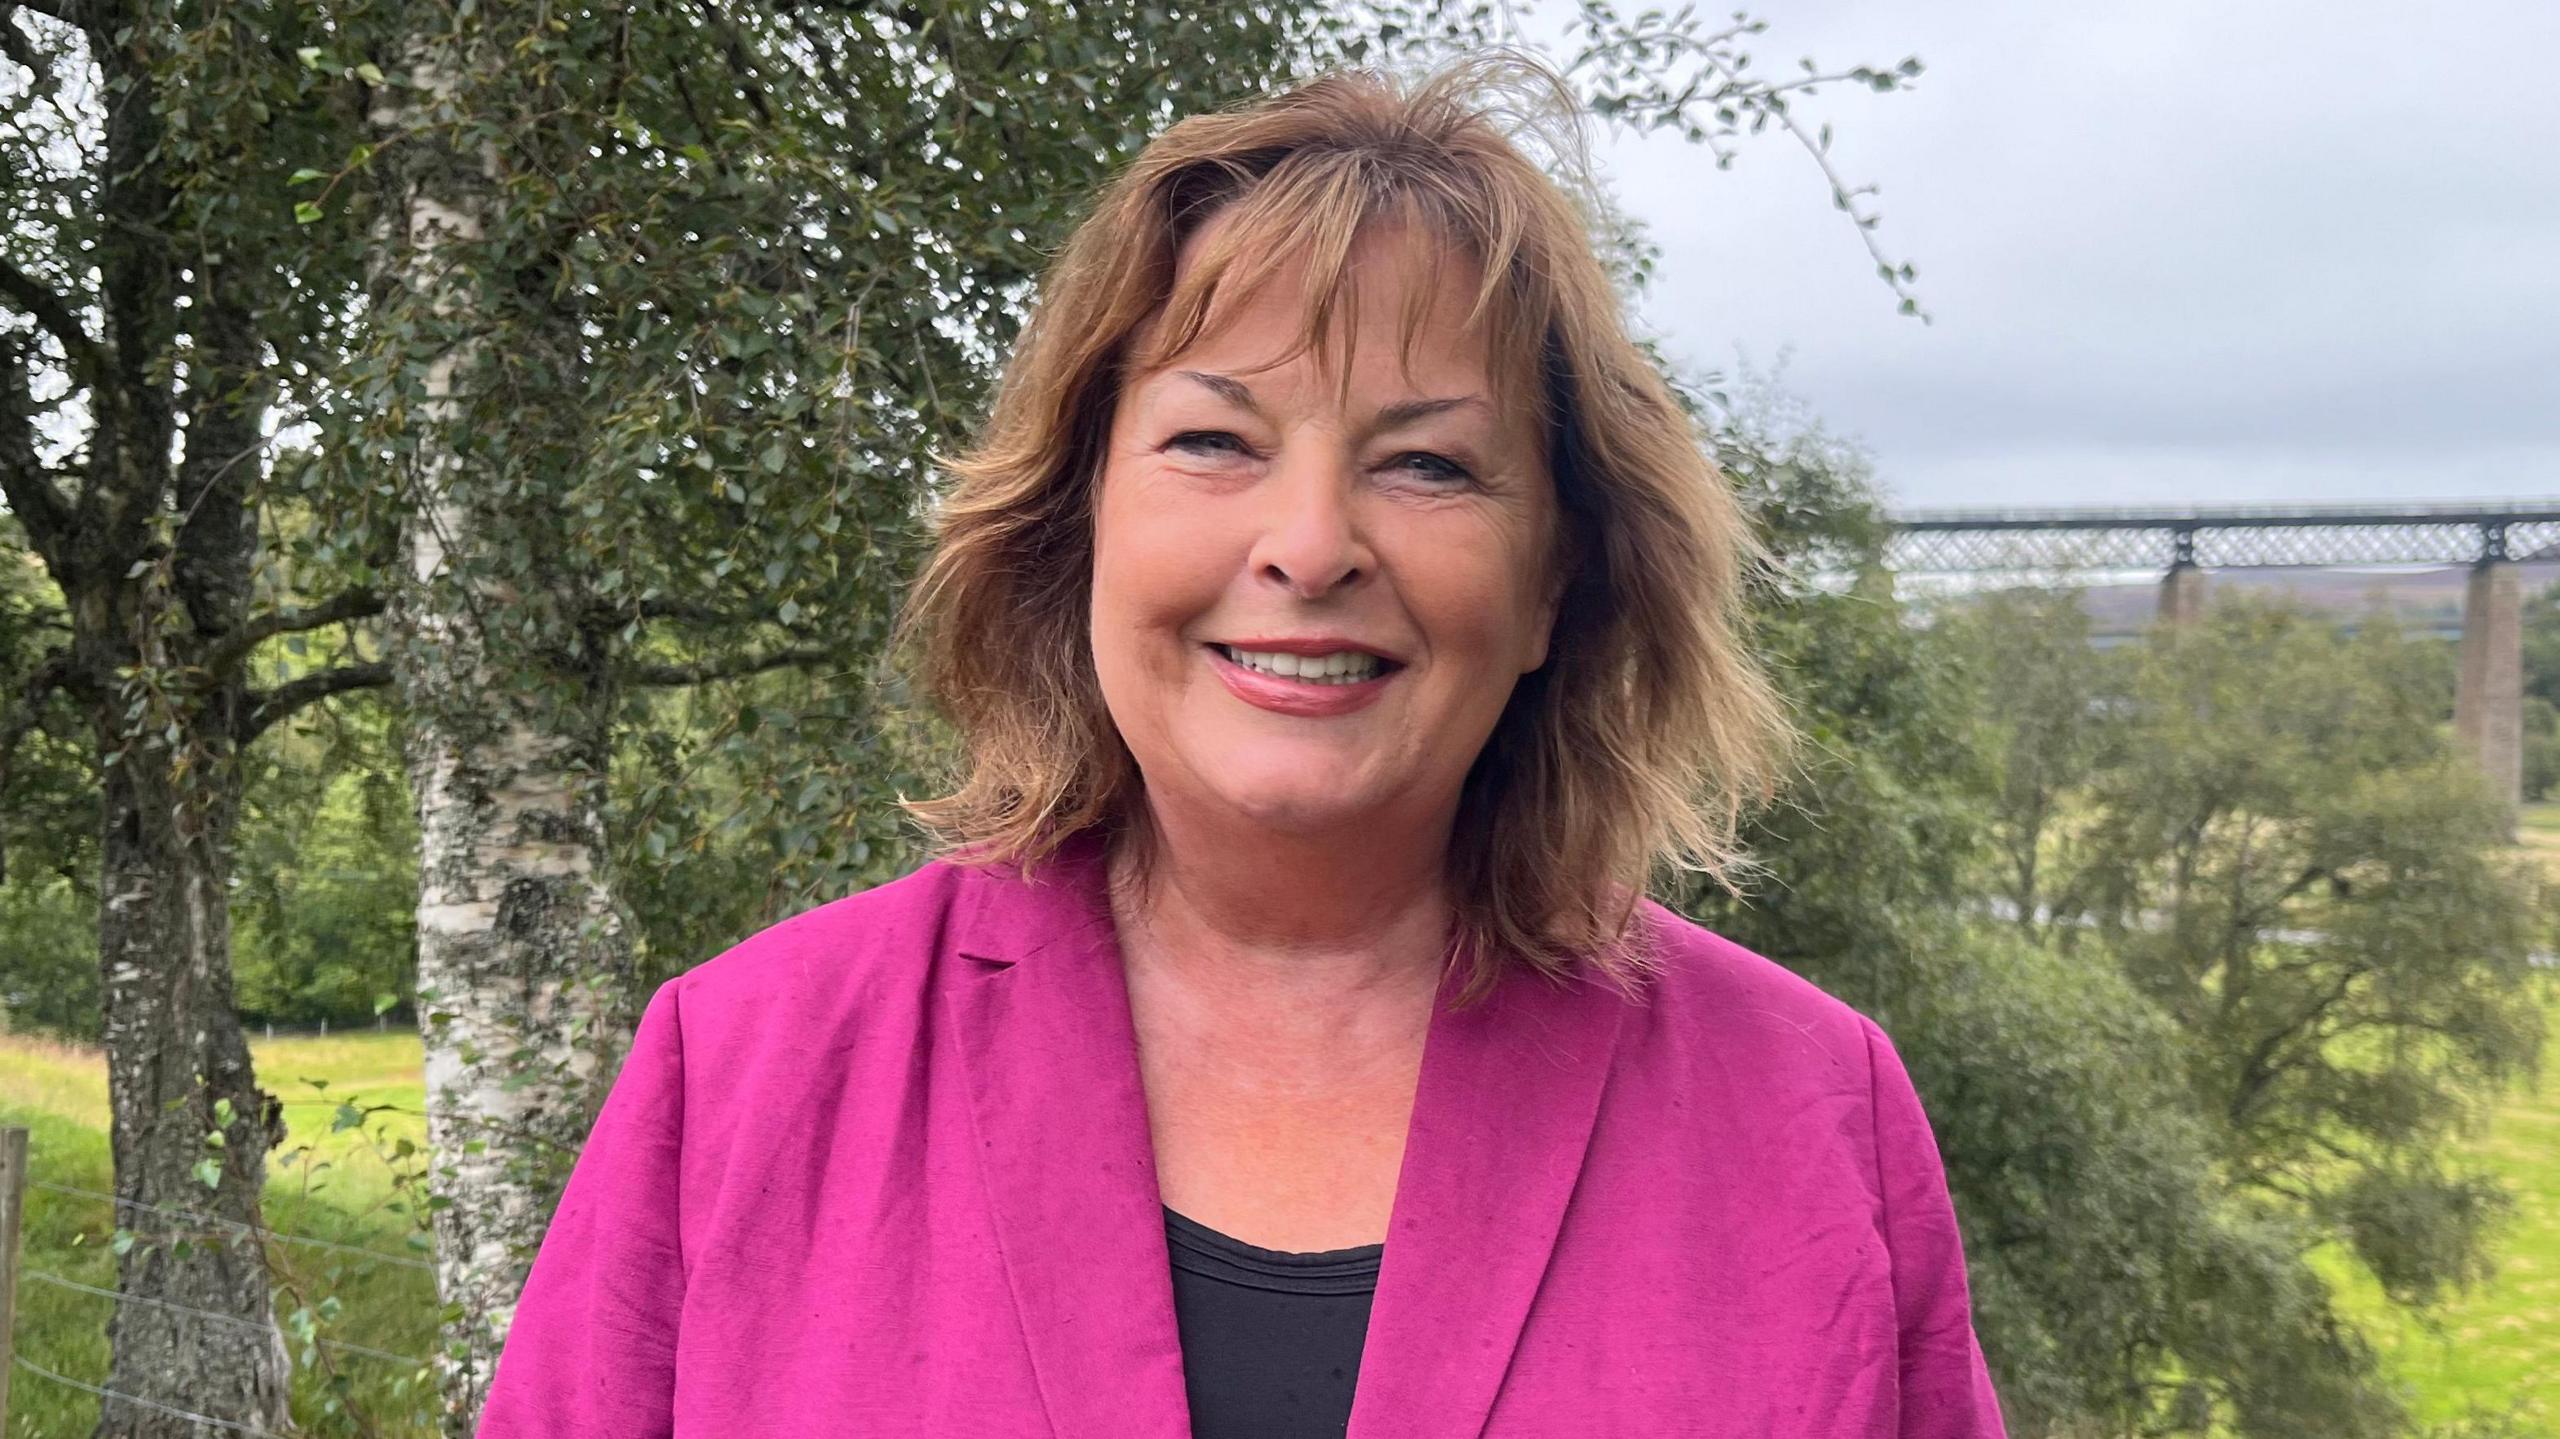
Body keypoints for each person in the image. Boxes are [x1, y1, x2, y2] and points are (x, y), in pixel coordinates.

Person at [477, 53, 2008, 1439]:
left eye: (1427, 463)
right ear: (1077, 525)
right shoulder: (743, 1075)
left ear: (1558, 580)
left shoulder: (1813, 1118)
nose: (1310, 544)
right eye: (1215, 439)